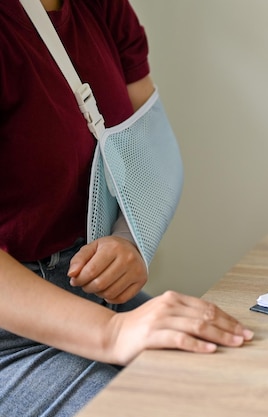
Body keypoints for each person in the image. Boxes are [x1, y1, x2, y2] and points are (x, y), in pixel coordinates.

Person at [0, 1, 253, 416]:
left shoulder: (102, 7)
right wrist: (113, 333)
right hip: (10, 337)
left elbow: (148, 147)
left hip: (93, 299)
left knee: (239, 380)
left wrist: (129, 237)